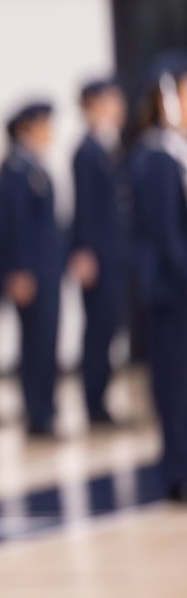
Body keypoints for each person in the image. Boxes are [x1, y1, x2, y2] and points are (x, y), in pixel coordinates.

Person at [130, 54, 187, 500]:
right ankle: (177, 474)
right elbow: (168, 238)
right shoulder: (156, 157)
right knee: (175, 385)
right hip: (173, 291)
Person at [0, 102, 62, 438]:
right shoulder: (16, 171)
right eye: (44, 124)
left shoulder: (35, 167)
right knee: (35, 343)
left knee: (46, 342)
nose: (49, 131)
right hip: (30, 273)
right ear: (27, 127)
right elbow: (13, 227)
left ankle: (47, 409)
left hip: (48, 270)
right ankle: (38, 414)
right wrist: (18, 270)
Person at [68, 78, 130, 426]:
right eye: (111, 101)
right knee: (99, 329)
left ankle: (101, 399)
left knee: (112, 327)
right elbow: (86, 208)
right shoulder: (86, 151)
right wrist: (83, 251)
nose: (117, 108)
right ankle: (93, 403)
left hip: (115, 253)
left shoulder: (110, 147)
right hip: (98, 256)